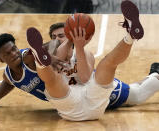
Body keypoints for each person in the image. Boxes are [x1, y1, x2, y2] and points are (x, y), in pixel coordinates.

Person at [0, 1, 159, 115]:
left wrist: (49, 56)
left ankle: (155, 76)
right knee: (122, 77)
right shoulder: (10, 74)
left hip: (85, 89)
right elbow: (8, 82)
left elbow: (49, 46)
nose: (14, 53)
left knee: (138, 95)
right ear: (1, 59)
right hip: (71, 95)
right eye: (8, 53)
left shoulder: (28, 56)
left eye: (14, 48)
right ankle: (153, 71)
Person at [25, 0, 159, 121]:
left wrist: (77, 45)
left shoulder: (85, 53)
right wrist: (68, 40)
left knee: (108, 64)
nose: (56, 39)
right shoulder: (52, 55)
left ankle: (131, 35)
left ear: (68, 35)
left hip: (93, 98)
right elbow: (57, 59)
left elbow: (84, 78)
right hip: (69, 102)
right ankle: (40, 62)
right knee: (52, 79)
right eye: (53, 37)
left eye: (61, 35)